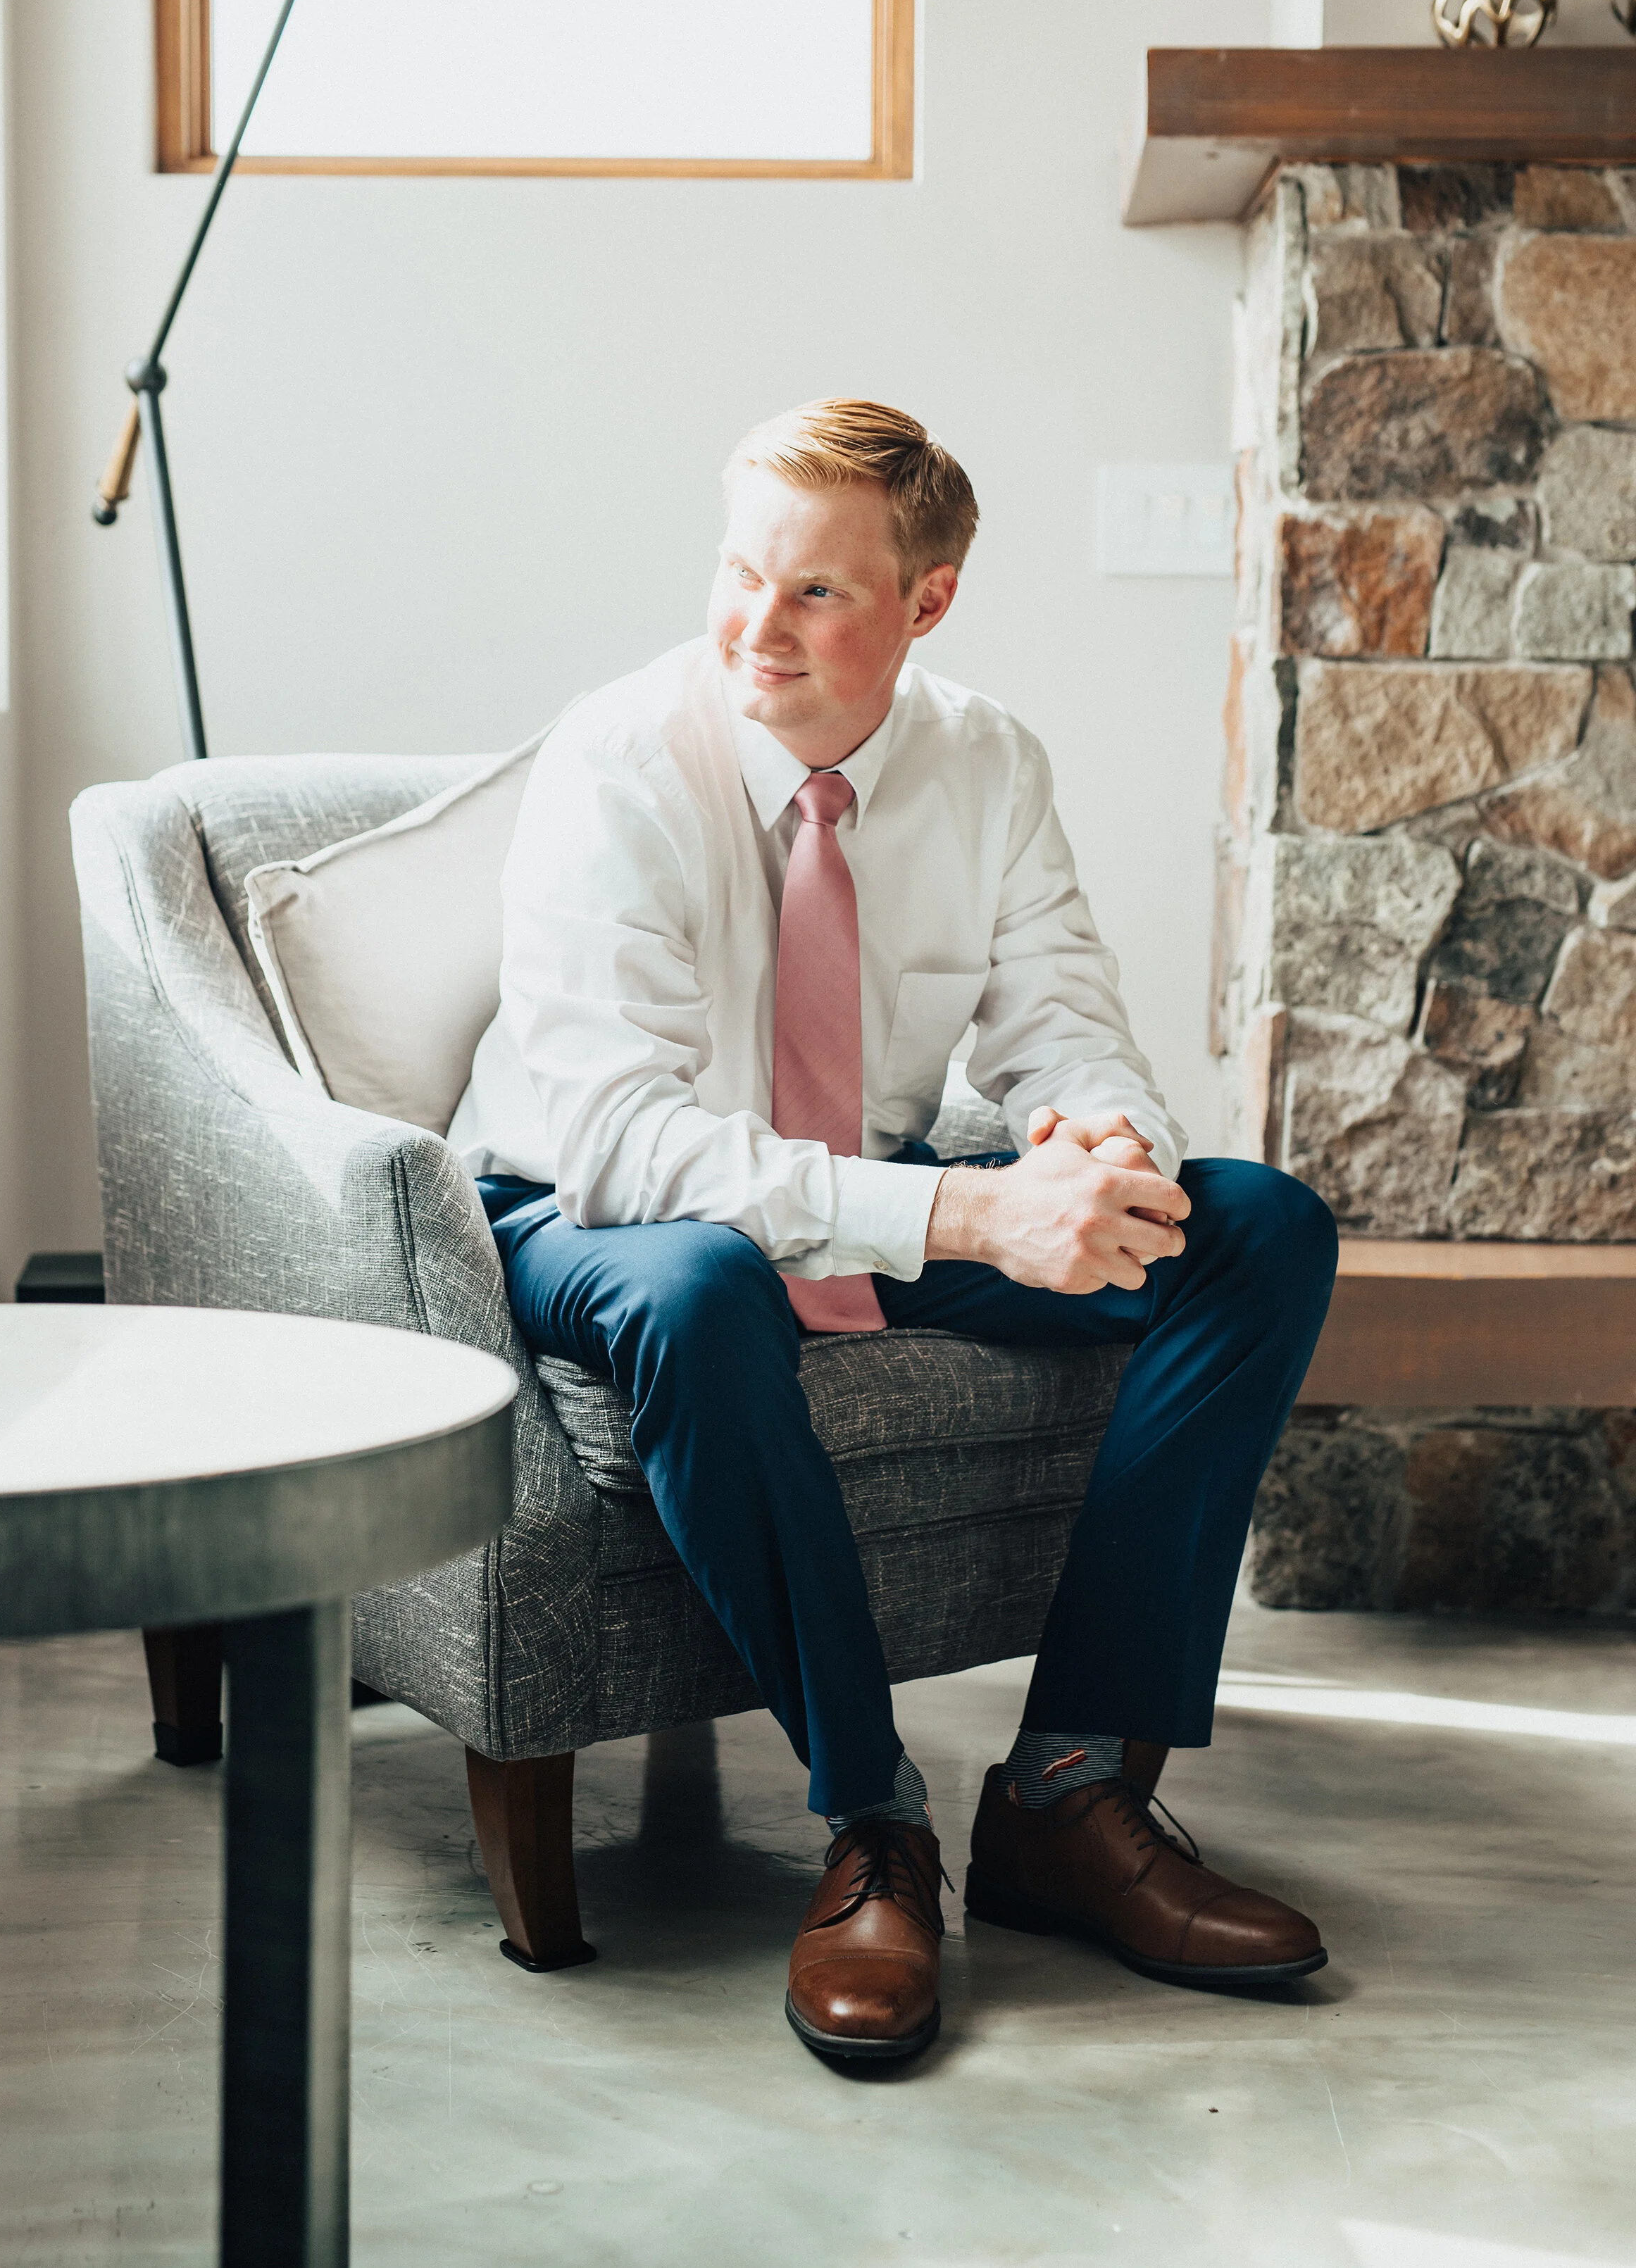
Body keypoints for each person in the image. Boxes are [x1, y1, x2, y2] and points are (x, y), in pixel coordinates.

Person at [450, 398, 1339, 2065]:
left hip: (872, 1190)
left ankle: (1070, 1793)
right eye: (738, 573)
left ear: (925, 603)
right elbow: (622, 1144)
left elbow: (1066, 1021)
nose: (751, 627)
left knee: (1253, 1227)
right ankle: (875, 1829)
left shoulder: (986, 760)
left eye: (814, 595)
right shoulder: (619, 761)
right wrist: (972, 1211)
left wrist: (1096, 1145)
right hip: (593, 1214)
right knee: (710, 1280)